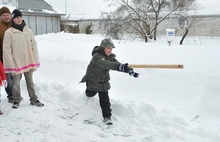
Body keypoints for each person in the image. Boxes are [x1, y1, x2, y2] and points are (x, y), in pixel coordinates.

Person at [80, 38, 139, 125]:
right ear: (103, 47)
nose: (110, 50)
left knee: (105, 100)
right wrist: (119, 66)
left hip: (103, 81)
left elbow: (117, 65)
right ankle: (87, 93)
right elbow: (106, 64)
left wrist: (128, 70)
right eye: (108, 48)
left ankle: (107, 117)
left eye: (111, 48)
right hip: (92, 80)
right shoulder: (97, 57)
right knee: (90, 94)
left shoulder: (110, 57)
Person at [3, 9, 44, 109]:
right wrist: (10, 63)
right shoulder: (9, 33)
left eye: (20, 17)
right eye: (16, 17)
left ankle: (33, 99)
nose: (19, 19)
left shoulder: (28, 31)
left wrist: (34, 59)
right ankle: (16, 100)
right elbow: (6, 49)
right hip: (16, 62)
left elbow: (34, 45)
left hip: (28, 61)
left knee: (30, 82)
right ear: (13, 19)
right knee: (15, 83)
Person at [0, 7, 14, 103]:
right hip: (4, 56)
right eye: (4, 15)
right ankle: (11, 95)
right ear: (1, 16)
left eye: (7, 14)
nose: (6, 16)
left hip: (16, 55)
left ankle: (16, 93)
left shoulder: (15, 24)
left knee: (17, 76)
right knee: (8, 76)